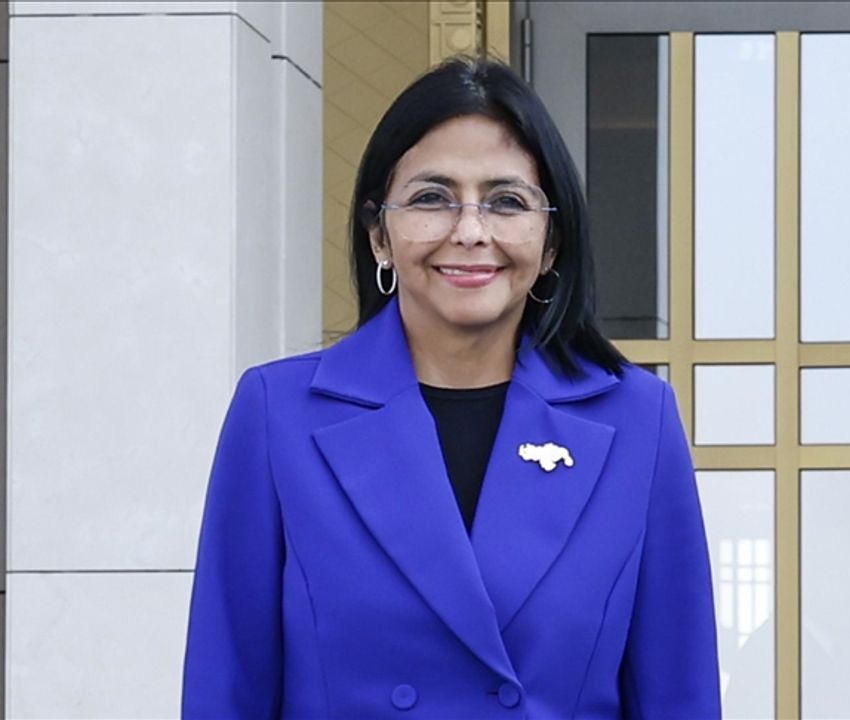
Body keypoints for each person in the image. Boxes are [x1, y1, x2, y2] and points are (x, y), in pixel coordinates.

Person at [182, 57, 720, 719]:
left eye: (507, 201)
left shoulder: (637, 420)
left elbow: (680, 697)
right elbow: (225, 691)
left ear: (552, 243)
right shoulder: (278, 415)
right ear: (379, 234)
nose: (470, 231)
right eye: (432, 198)